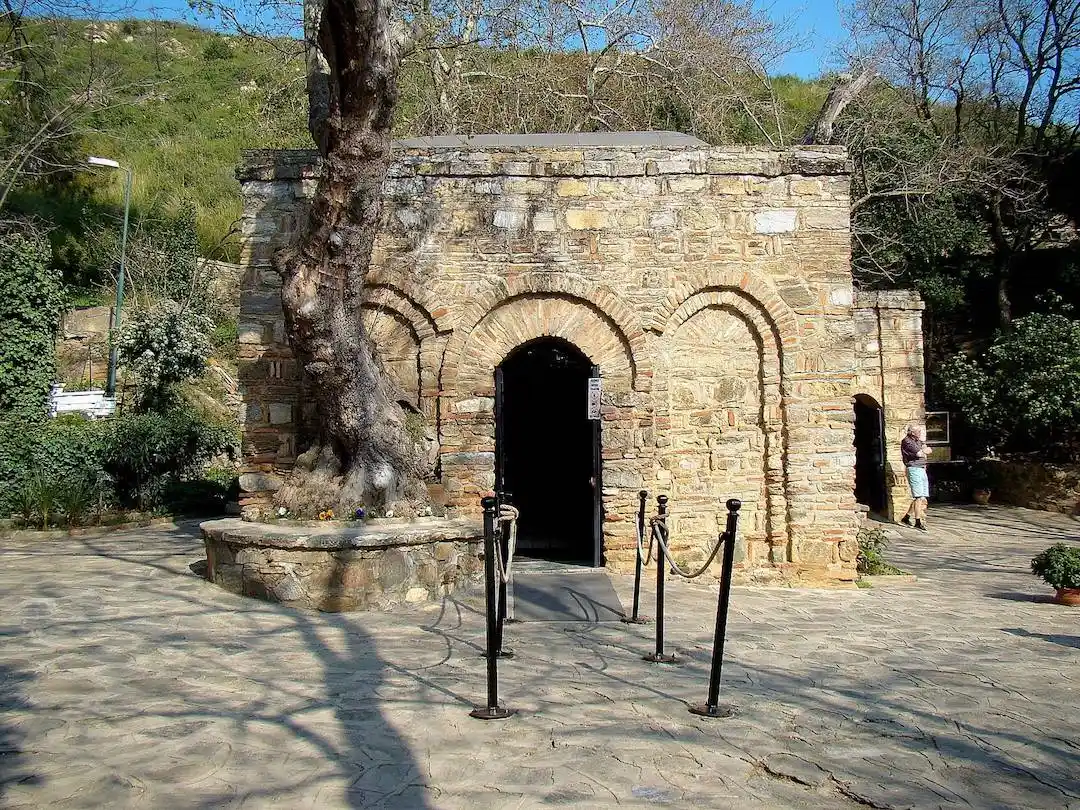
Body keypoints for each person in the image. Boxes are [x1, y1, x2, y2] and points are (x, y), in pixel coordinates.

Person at [900, 425, 929, 531]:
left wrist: (924, 451)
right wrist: (923, 451)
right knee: (918, 496)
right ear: (912, 432)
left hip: (921, 468)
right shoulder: (907, 441)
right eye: (918, 431)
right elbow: (919, 453)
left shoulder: (918, 441)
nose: (920, 433)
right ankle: (917, 521)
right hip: (914, 469)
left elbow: (927, 449)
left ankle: (906, 517)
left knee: (921, 496)